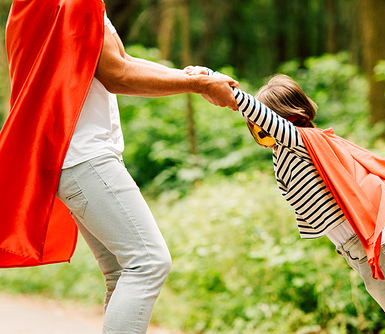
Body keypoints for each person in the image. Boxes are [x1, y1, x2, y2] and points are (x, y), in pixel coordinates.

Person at [191, 70, 385, 333]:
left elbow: (266, 119)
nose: (260, 132)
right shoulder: (289, 149)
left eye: (264, 125)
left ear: (283, 118)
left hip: (367, 244)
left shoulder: (300, 140)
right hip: (361, 245)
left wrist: (227, 91)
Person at [1, 1, 237, 333]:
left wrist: (185, 76)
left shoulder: (35, 5)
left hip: (68, 154)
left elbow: (120, 60)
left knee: (121, 272)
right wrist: (196, 85)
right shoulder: (75, 3)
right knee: (148, 263)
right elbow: (117, 74)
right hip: (84, 155)